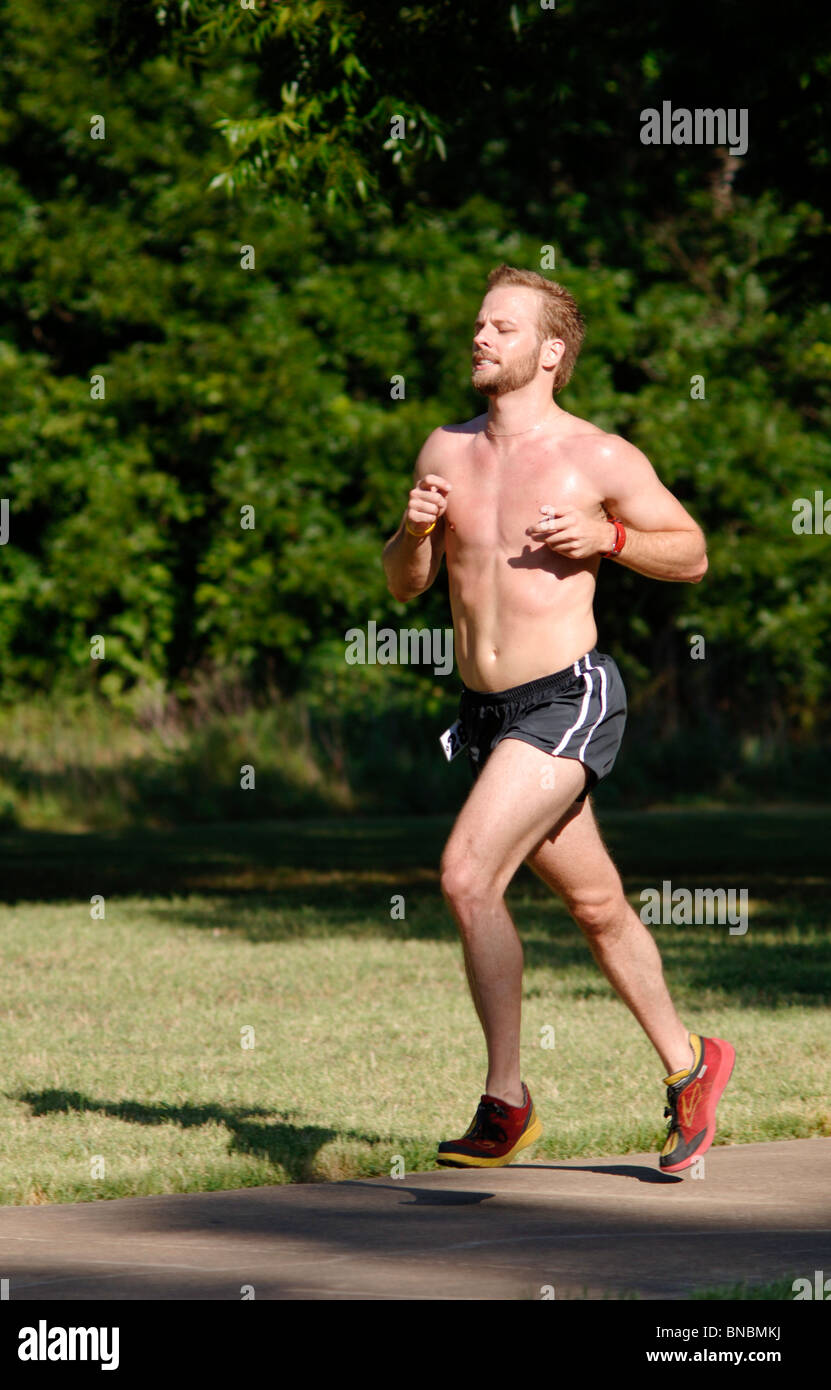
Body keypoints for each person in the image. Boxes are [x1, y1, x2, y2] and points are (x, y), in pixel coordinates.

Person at [381, 264, 735, 1172]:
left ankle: (505, 1100)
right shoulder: (443, 449)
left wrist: (609, 539)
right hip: (486, 714)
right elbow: (405, 586)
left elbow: (691, 553)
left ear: (548, 352)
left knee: (466, 876)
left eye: (501, 327)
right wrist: (411, 534)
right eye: (478, 324)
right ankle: (691, 1064)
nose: (480, 337)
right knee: (595, 904)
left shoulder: (597, 456)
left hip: (569, 697)